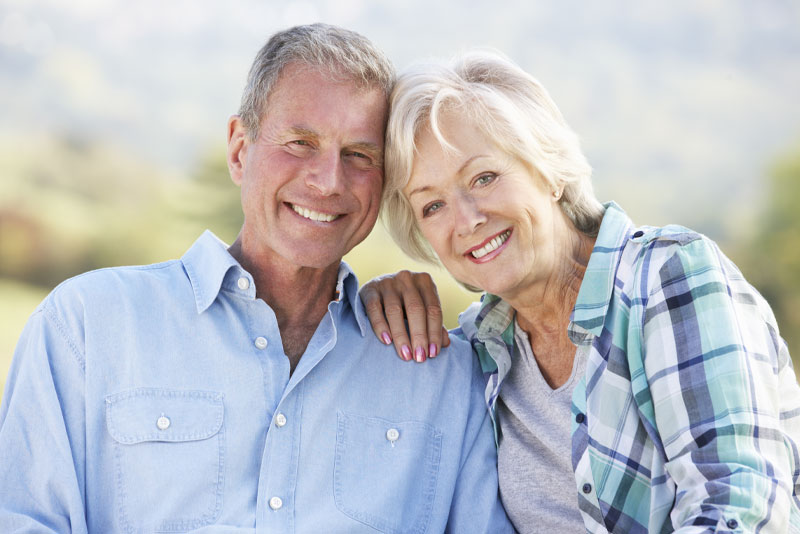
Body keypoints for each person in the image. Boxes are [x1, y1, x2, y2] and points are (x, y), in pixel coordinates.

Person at [0, 25, 512, 533]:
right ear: (240, 149)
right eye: (300, 142)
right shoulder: (86, 325)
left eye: (359, 155)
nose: (329, 180)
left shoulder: (442, 375)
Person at [361, 50, 800, 533]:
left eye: (483, 178)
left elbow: (741, 508)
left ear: (547, 170)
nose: (466, 220)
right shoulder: (479, 351)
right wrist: (378, 304)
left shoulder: (667, 278)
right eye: (433, 206)